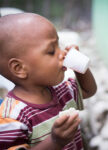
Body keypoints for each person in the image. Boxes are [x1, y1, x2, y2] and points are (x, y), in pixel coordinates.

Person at [0, 13, 97, 150]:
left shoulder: (61, 90)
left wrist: (80, 67)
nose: (62, 53)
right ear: (19, 68)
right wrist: (55, 141)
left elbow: (88, 90)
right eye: (52, 51)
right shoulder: (12, 117)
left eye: (59, 45)